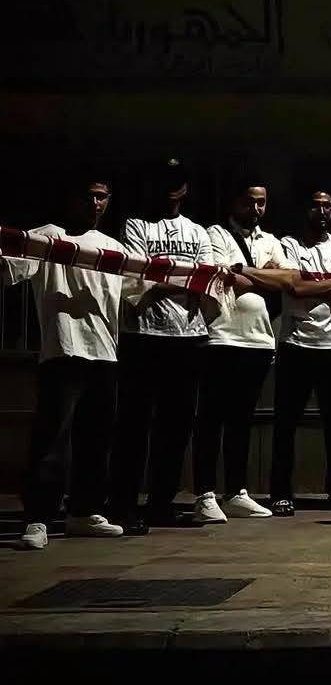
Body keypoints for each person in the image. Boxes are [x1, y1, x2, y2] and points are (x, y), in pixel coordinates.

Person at [6, 175, 125, 550]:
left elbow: (140, 291)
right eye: (89, 196)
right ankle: (38, 517)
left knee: (97, 439)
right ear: (73, 198)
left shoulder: (114, 248)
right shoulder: (45, 237)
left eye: (102, 197)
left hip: (105, 353)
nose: (95, 204)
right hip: (63, 349)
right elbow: (8, 270)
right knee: (52, 439)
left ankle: (84, 513)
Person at [109, 159, 213, 533]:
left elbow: (207, 280)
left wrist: (163, 280)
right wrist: (182, 281)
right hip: (144, 335)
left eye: (177, 181)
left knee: (177, 427)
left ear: (185, 188)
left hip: (189, 336)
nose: (171, 188)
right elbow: (139, 277)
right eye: (165, 181)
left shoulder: (198, 232)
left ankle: (160, 504)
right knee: (134, 425)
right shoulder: (136, 225)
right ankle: (122, 505)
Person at [193, 180, 291, 524]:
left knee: (241, 420)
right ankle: (205, 494)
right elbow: (222, 278)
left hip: (259, 340)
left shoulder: (272, 240)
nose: (256, 209)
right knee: (211, 418)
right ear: (235, 202)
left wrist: (246, 273)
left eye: (262, 202)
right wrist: (266, 275)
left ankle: (236, 491)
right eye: (250, 202)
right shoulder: (215, 234)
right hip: (222, 336)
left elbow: (288, 280)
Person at [270, 189, 331, 515]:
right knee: (286, 423)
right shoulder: (287, 245)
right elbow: (294, 287)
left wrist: (319, 285)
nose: (322, 212)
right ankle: (281, 493)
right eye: (316, 206)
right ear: (304, 209)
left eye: (328, 206)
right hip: (295, 344)